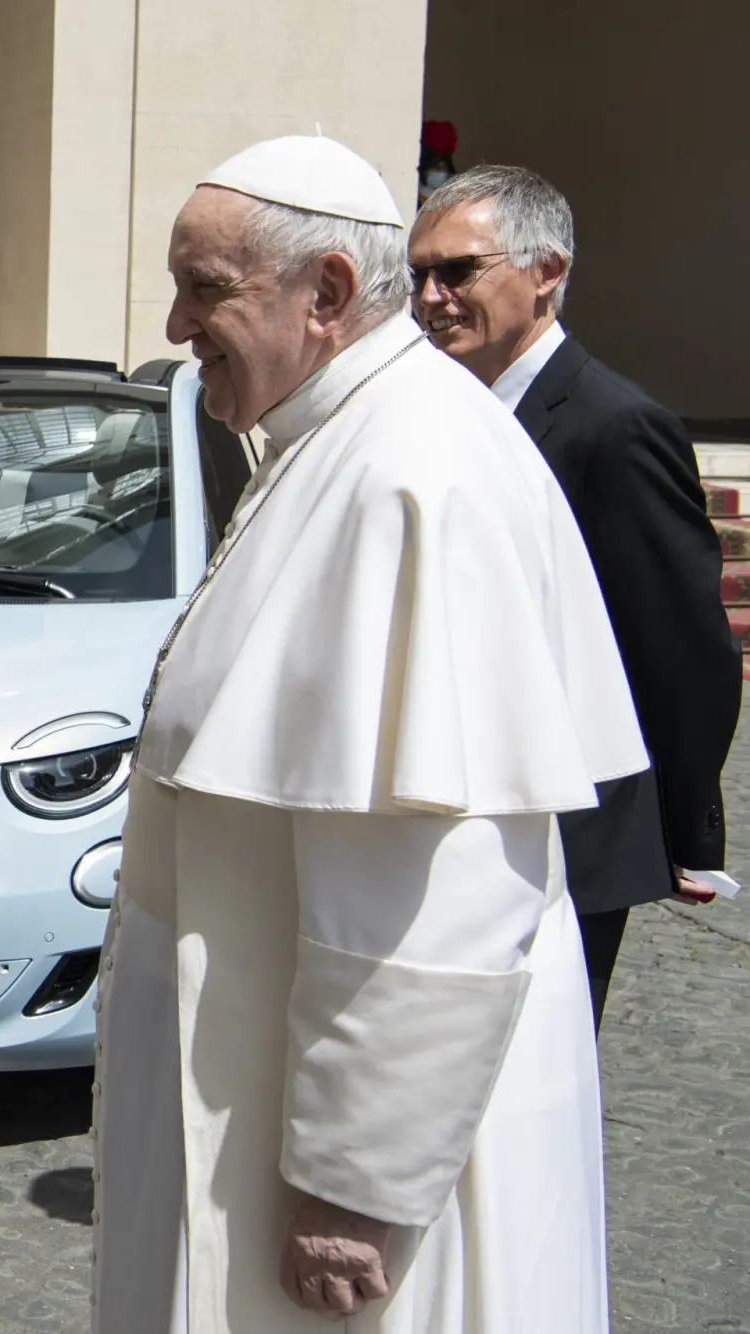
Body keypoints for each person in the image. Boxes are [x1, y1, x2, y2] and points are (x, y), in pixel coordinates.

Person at [91, 135, 648, 1332]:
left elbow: (432, 880)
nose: (180, 326)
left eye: (206, 289)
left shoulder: (411, 471)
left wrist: (352, 1183)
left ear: (328, 292)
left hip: (355, 1170)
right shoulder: (337, 437)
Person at [411, 165, 740, 1028]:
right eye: (419, 274)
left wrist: (678, 832)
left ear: (546, 272)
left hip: (575, 829)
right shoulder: (451, 410)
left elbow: (682, 650)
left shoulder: (615, 426)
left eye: (457, 272)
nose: (431, 298)